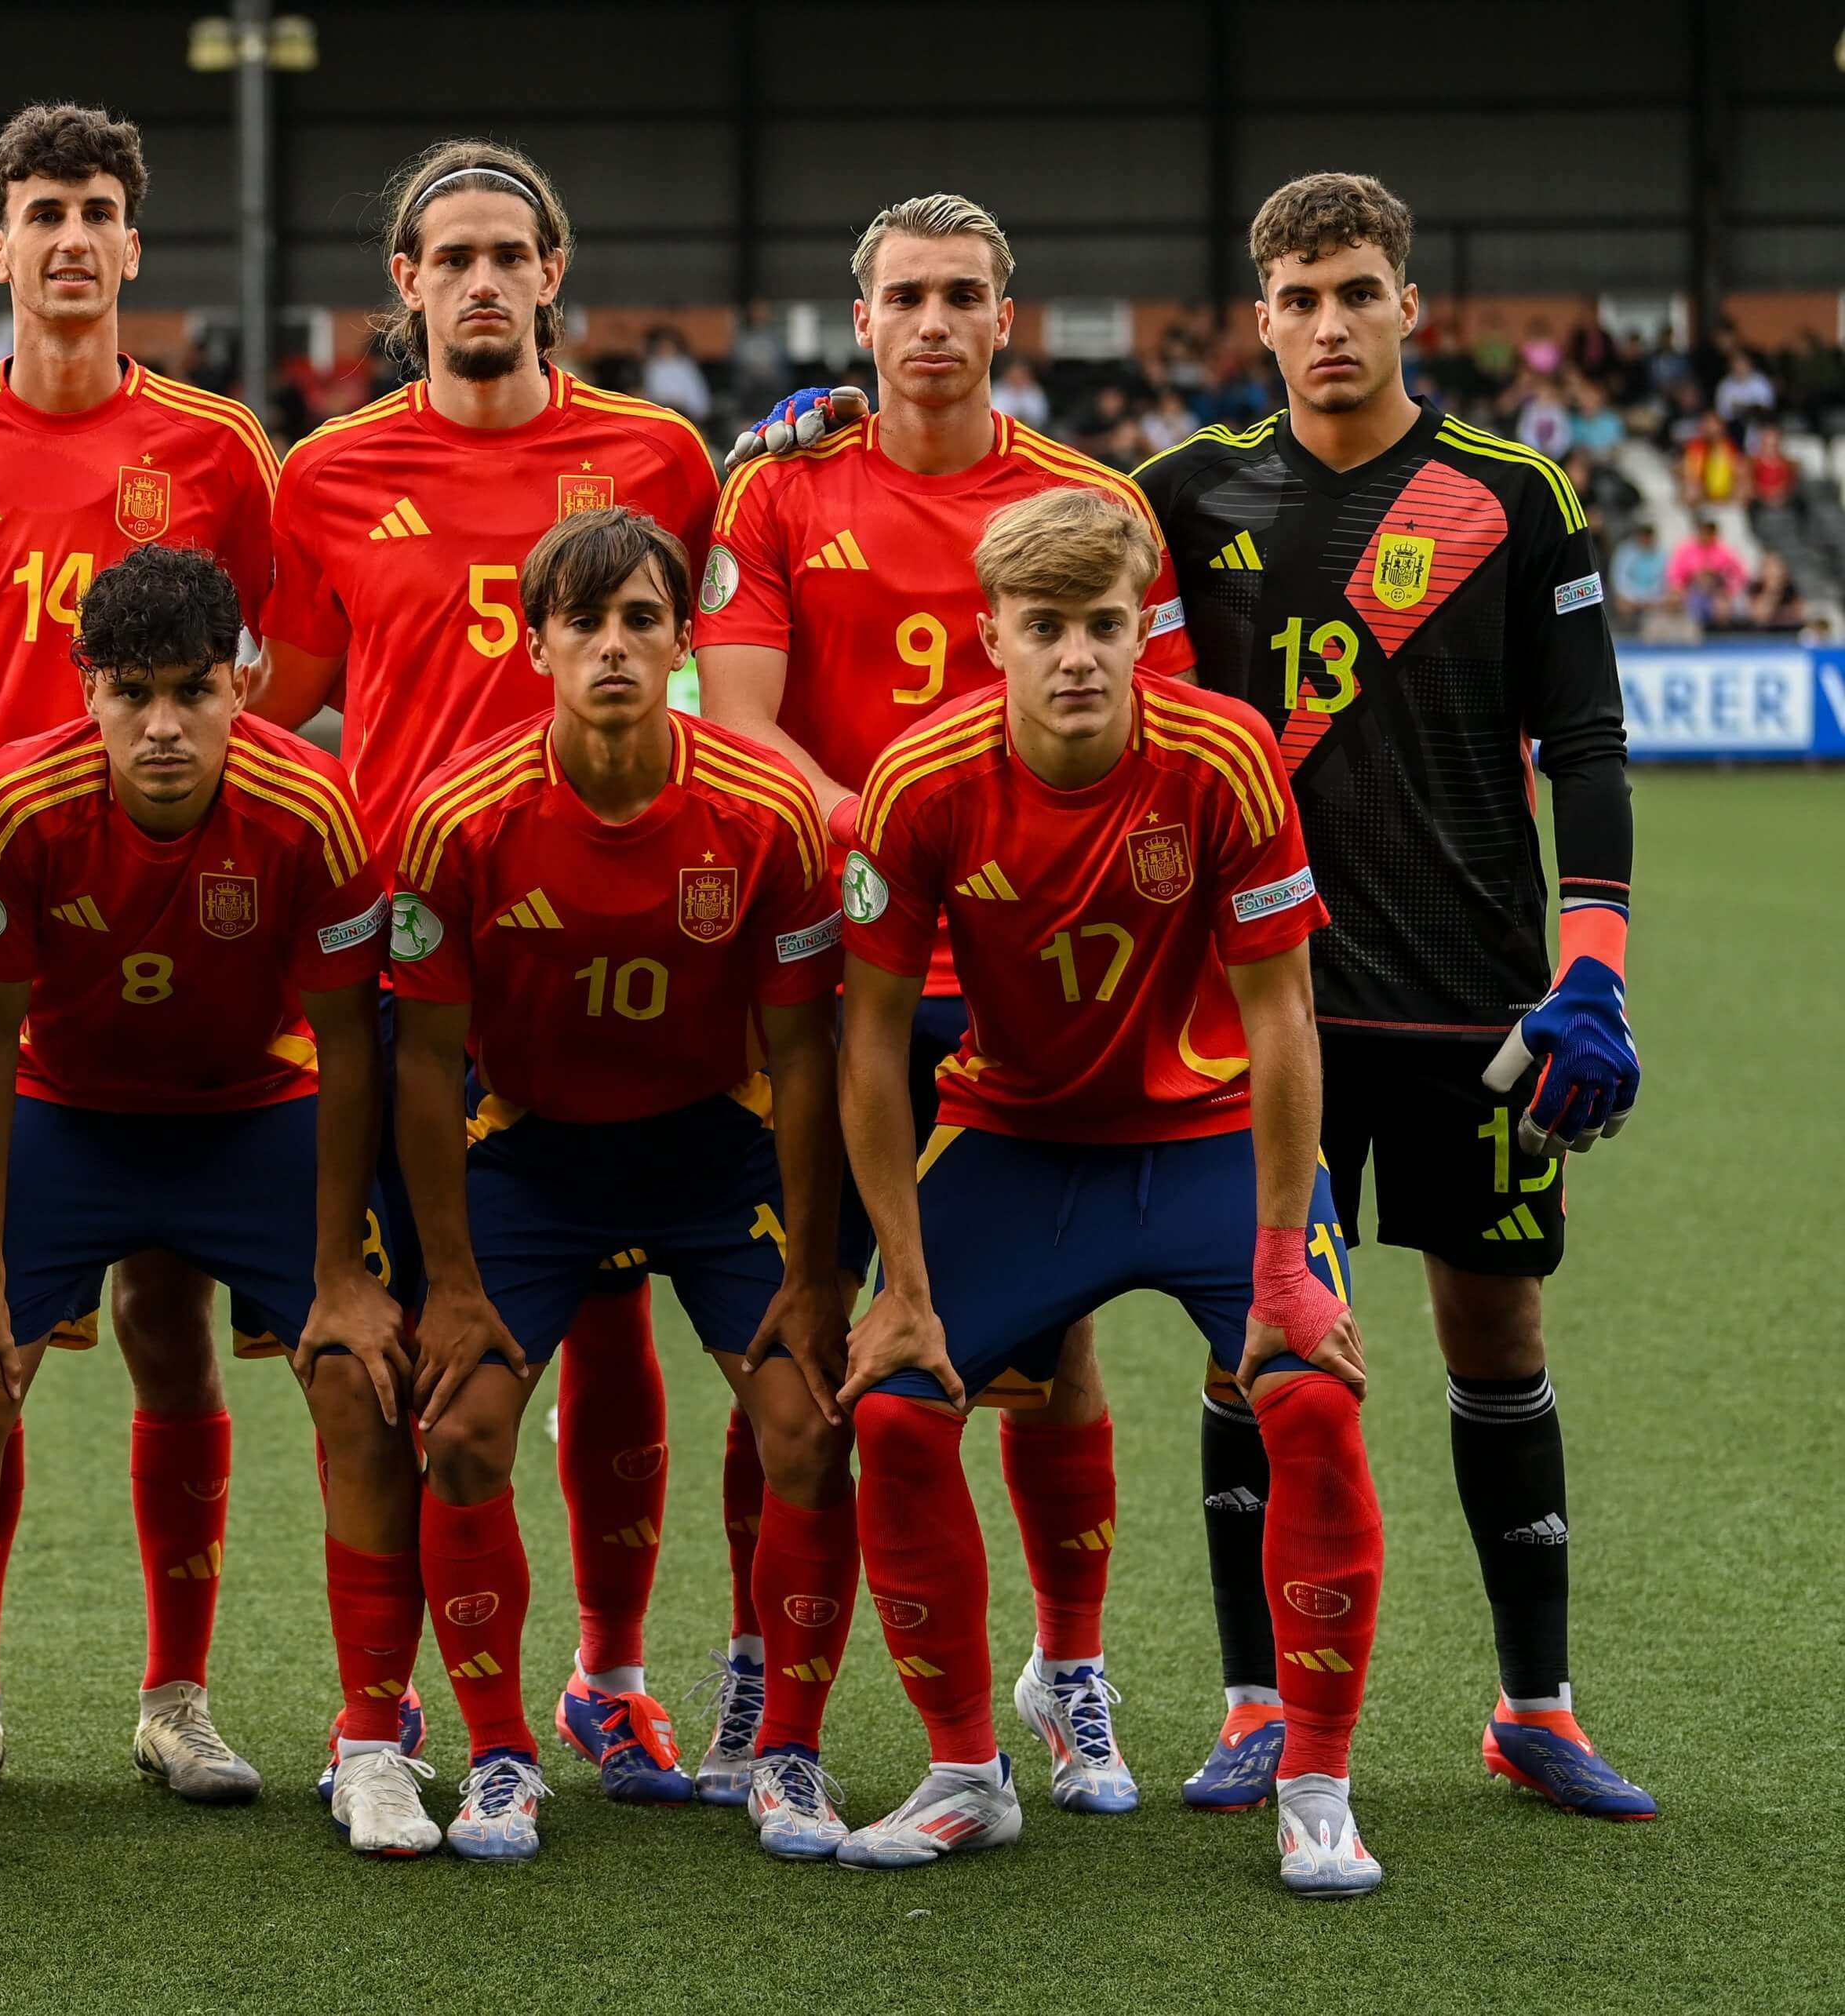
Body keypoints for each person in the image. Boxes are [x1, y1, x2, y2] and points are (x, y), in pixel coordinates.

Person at [1138, 172, 1651, 1820]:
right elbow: (998, 534)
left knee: (1491, 1329)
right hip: (1255, 1006)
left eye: (1353, 290)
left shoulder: (1517, 496)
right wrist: (809, 437)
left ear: (1406, 303)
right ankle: (1249, 1706)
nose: (1325, 325)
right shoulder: (1176, 493)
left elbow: (1584, 747)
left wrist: (1592, 974)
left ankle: (1533, 1706)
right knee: (1249, 1351)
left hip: (1474, 1007)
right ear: (1258, 316)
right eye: (1293, 298)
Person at [697, 194, 1190, 1847]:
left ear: (1004, 315)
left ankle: (1067, 1665)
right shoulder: (777, 486)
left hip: (1031, 981)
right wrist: (891, 824)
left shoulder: (1090, 501)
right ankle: (767, 1680)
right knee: (793, 1329)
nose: (928, 321)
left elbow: (1162, 725)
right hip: (830, 975)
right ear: (856, 320)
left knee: (1047, 1352)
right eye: (900, 295)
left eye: (958, 295)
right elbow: (743, 722)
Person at [251, 138, 731, 1806]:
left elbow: (735, 639)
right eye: (444, 255)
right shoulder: (322, 475)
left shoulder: (660, 457)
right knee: (425, 1364)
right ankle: (387, 1717)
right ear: (403, 283)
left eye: (504, 253)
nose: (475, 279)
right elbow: (281, 704)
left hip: (631, 958)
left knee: (618, 1334)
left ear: (548, 273)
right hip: (420, 982)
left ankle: (607, 1677)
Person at [833, 485, 1385, 1897]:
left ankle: (1319, 1781)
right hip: (1019, 1142)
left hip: (1205, 1138)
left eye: (1101, 625)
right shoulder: (920, 779)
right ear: (991, 637)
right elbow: (874, 1042)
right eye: (1044, 628)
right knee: (896, 1411)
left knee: (1310, 1388)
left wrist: (1279, 1261)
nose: (1076, 655)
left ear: (1142, 630)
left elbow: (1282, 1020)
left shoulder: (1226, 755)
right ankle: (967, 1770)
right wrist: (899, 1283)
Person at [0, 101, 281, 1783]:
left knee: (173, 1320)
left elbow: (246, 664)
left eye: (99, 207)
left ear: (131, 243)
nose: (72, 237)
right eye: (42, 210)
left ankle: (174, 1699)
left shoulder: (221, 450)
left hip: (176, 930)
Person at [0, 544, 408, 1861]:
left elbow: (353, 1046)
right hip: (70, 1109)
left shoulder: (316, 807)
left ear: (244, 682)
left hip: (253, 1108)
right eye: (131, 694)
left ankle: (359, 1735)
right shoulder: (12, 806)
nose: (163, 725)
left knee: (358, 1374)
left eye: (192, 691)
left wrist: (343, 1272)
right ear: (86, 687)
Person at [387, 507, 846, 1861]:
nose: (613, 647)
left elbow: (807, 1058)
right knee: (462, 1432)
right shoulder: (458, 818)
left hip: (715, 1151)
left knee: (812, 1428)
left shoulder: (761, 812)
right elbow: (422, 1067)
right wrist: (453, 1281)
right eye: (584, 623)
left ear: (684, 643)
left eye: (642, 620)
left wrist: (820, 1273)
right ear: (535, 646)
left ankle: (792, 1758)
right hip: (531, 1156)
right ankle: (500, 1758)